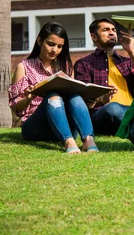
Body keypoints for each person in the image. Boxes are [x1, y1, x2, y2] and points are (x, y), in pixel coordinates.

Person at [8, 22, 99, 154]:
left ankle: (89, 141)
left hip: (64, 126)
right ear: (40, 41)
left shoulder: (66, 67)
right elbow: (16, 108)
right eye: (50, 44)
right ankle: (69, 143)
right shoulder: (24, 67)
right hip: (35, 128)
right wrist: (29, 98)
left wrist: (89, 102)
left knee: (75, 97)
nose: (54, 50)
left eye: (59, 46)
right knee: (53, 96)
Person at [74, 18, 134, 135]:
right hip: (103, 115)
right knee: (113, 108)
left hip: (130, 110)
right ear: (94, 37)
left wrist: (131, 51)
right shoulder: (84, 64)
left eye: (113, 30)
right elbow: (82, 101)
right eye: (106, 30)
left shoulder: (127, 61)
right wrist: (102, 100)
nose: (112, 33)